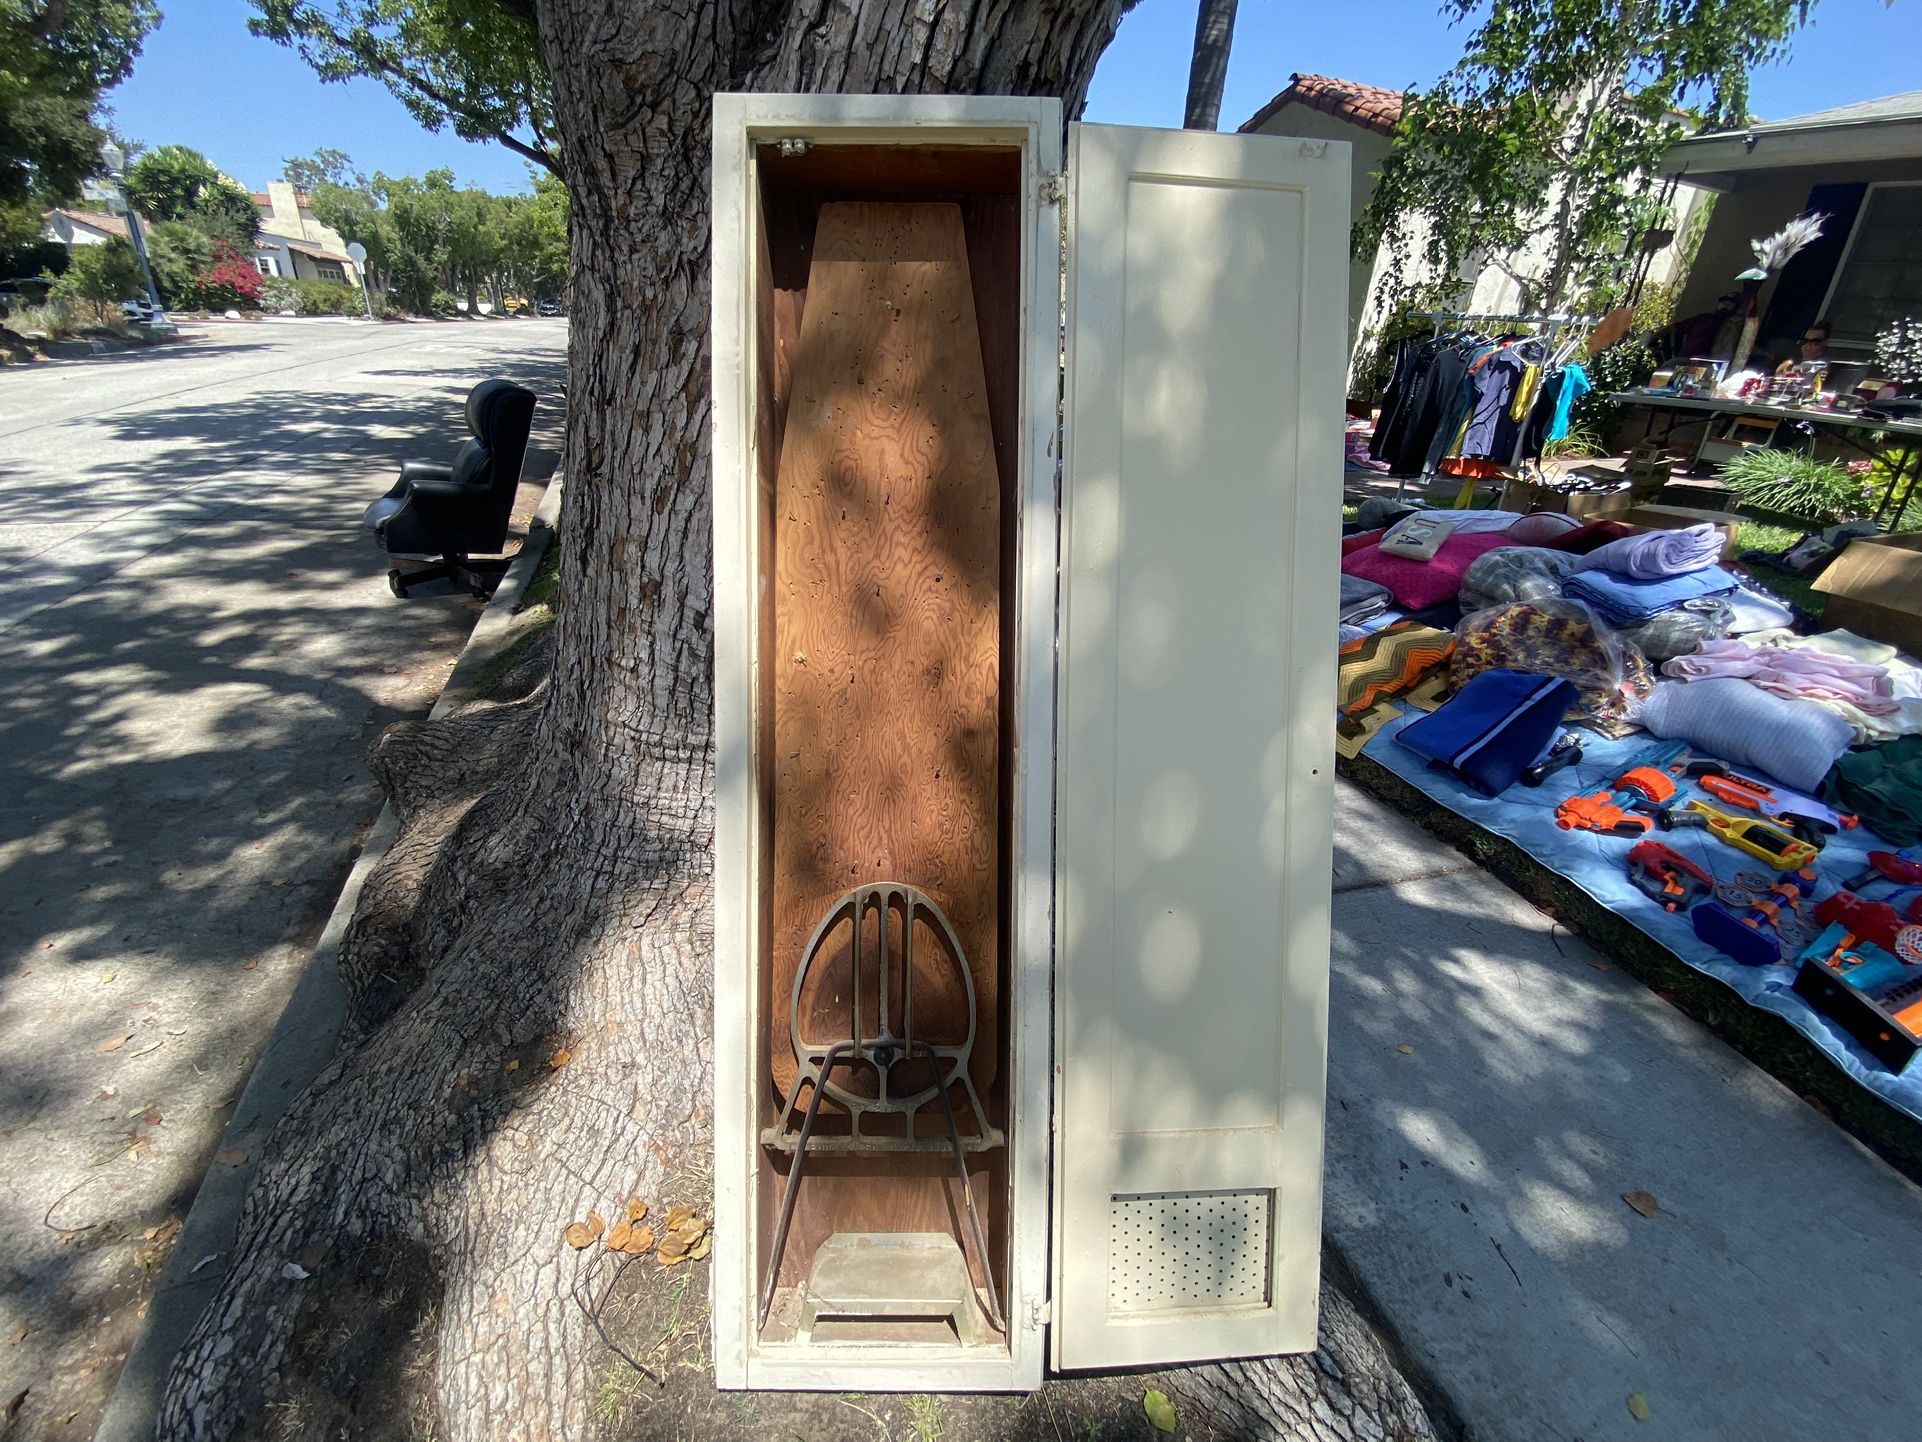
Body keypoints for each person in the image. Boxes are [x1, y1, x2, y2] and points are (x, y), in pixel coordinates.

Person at [1657, 291, 1739, 359]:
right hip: (1684, 360)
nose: (1724, 305)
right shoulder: (1704, 318)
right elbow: (1673, 327)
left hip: (1712, 364)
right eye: (1723, 302)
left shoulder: (1734, 326)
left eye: (1730, 303)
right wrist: (1650, 339)